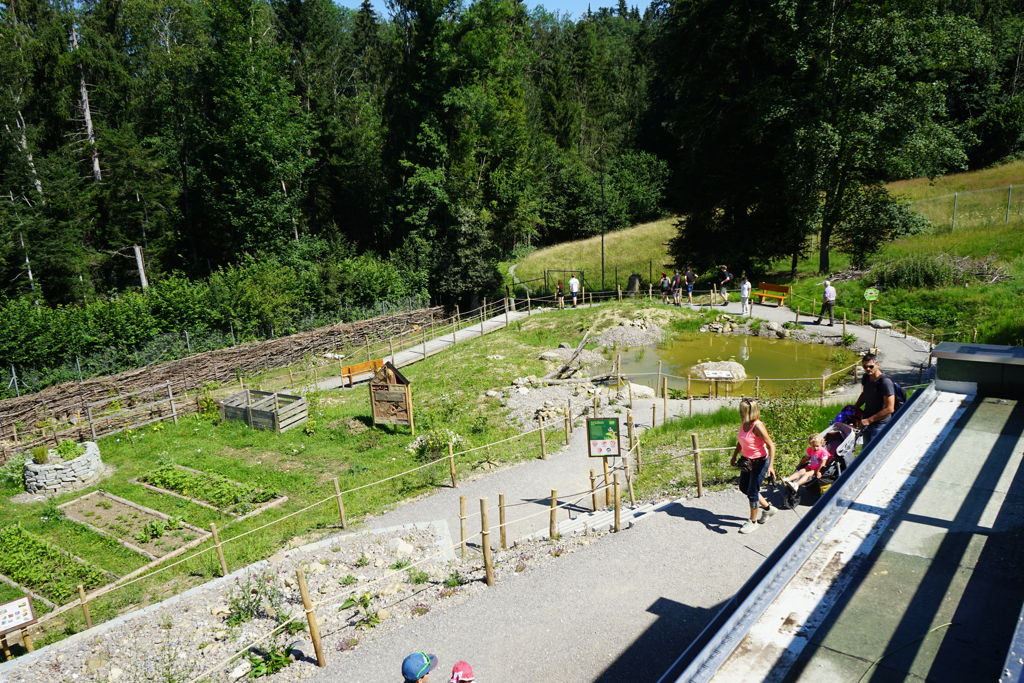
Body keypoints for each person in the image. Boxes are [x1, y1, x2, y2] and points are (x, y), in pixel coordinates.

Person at [729, 398, 778, 534]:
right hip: (747, 460)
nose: (740, 413)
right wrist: (734, 456)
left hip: (760, 462)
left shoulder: (757, 426)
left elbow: (771, 445)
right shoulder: (744, 422)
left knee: (752, 492)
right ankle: (768, 509)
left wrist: (771, 466)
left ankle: (753, 522)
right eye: (740, 410)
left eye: (743, 411)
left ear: (750, 411)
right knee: (744, 487)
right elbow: (741, 441)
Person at [853, 353, 896, 446]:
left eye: (871, 366)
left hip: (880, 424)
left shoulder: (885, 382)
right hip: (867, 420)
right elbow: (865, 394)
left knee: (873, 451)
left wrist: (869, 420)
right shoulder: (866, 377)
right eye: (865, 367)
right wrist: (855, 407)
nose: (868, 369)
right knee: (866, 450)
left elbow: (890, 408)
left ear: (878, 365)